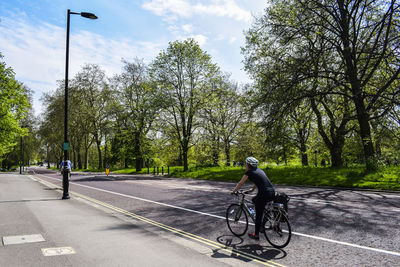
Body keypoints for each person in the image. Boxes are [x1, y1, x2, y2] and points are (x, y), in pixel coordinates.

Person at [231, 157, 275, 240]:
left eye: (245, 164)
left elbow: (240, 183)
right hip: (272, 192)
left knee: (258, 214)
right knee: (255, 200)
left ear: (248, 165)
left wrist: (234, 191)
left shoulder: (249, 172)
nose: (245, 165)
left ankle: (256, 235)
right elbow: (259, 180)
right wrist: (252, 189)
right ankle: (266, 219)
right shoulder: (260, 171)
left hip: (264, 194)